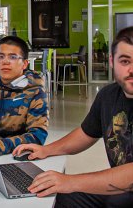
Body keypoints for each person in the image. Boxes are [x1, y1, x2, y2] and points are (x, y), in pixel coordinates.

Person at [13, 27, 133, 207]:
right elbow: (86, 134)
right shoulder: (108, 95)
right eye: (125, 61)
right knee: (54, 198)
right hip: (119, 192)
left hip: (125, 192)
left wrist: (69, 181)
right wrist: (46, 150)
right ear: (111, 61)